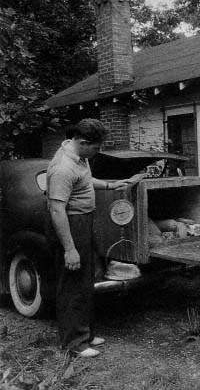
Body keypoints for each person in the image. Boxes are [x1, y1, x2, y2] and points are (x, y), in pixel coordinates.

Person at [46, 118, 131, 358]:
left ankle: (86, 334)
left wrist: (110, 185)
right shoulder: (63, 167)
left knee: (85, 281)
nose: (98, 152)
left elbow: (84, 182)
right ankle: (74, 343)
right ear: (83, 142)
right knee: (72, 284)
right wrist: (69, 249)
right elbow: (56, 210)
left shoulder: (79, 158)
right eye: (96, 147)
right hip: (70, 226)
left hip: (83, 222)